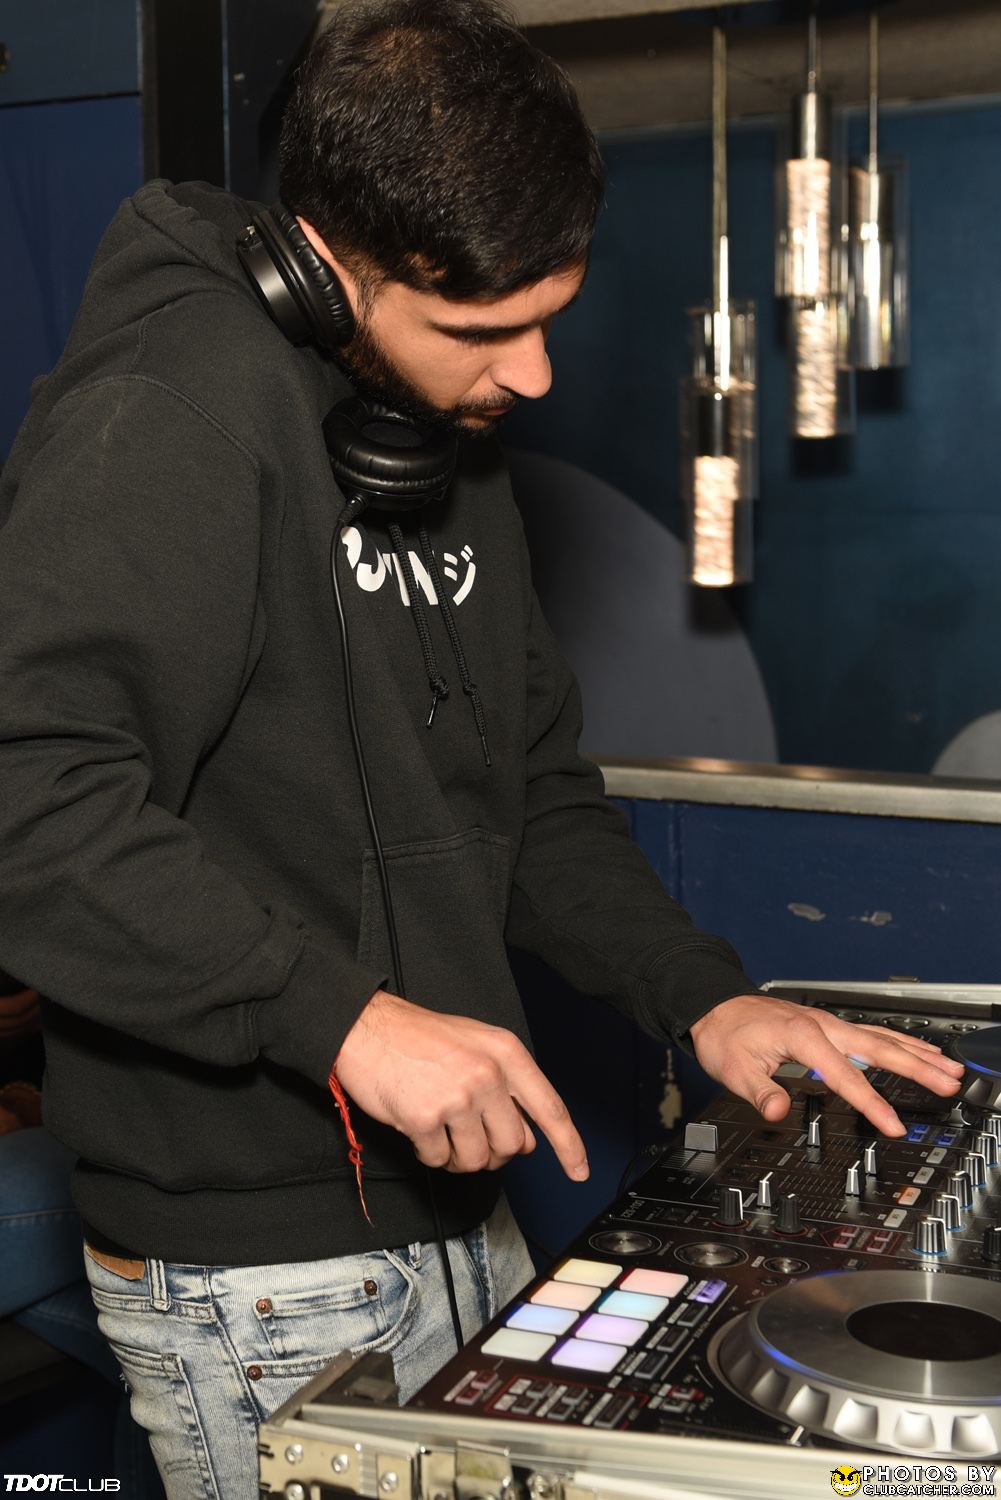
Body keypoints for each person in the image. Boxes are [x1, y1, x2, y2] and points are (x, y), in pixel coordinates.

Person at [0, 1, 963, 1495]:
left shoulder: (429, 428)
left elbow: (532, 798)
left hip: (457, 1205)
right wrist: (346, 1019)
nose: (532, 377)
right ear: (320, 270)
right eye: (478, 332)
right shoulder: (168, 415)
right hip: (255, 1258)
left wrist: (701, 997)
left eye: (544, 320)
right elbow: (31, 804)